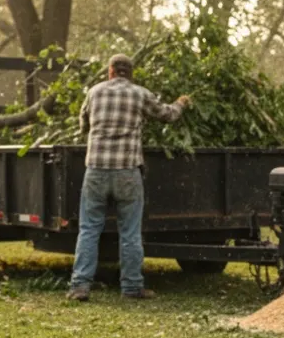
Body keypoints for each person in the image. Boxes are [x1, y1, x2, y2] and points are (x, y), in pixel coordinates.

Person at [65, 54, 190, 302]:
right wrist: (181, 103)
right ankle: (132, 287)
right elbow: (168, 115)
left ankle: (80, 286)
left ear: (110, 71)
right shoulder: (140, 94)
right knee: (130, 233)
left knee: (89, 229)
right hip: (127, 172)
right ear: (130, 73)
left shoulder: (94, 92)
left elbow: (83, 126)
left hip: (96, 171)